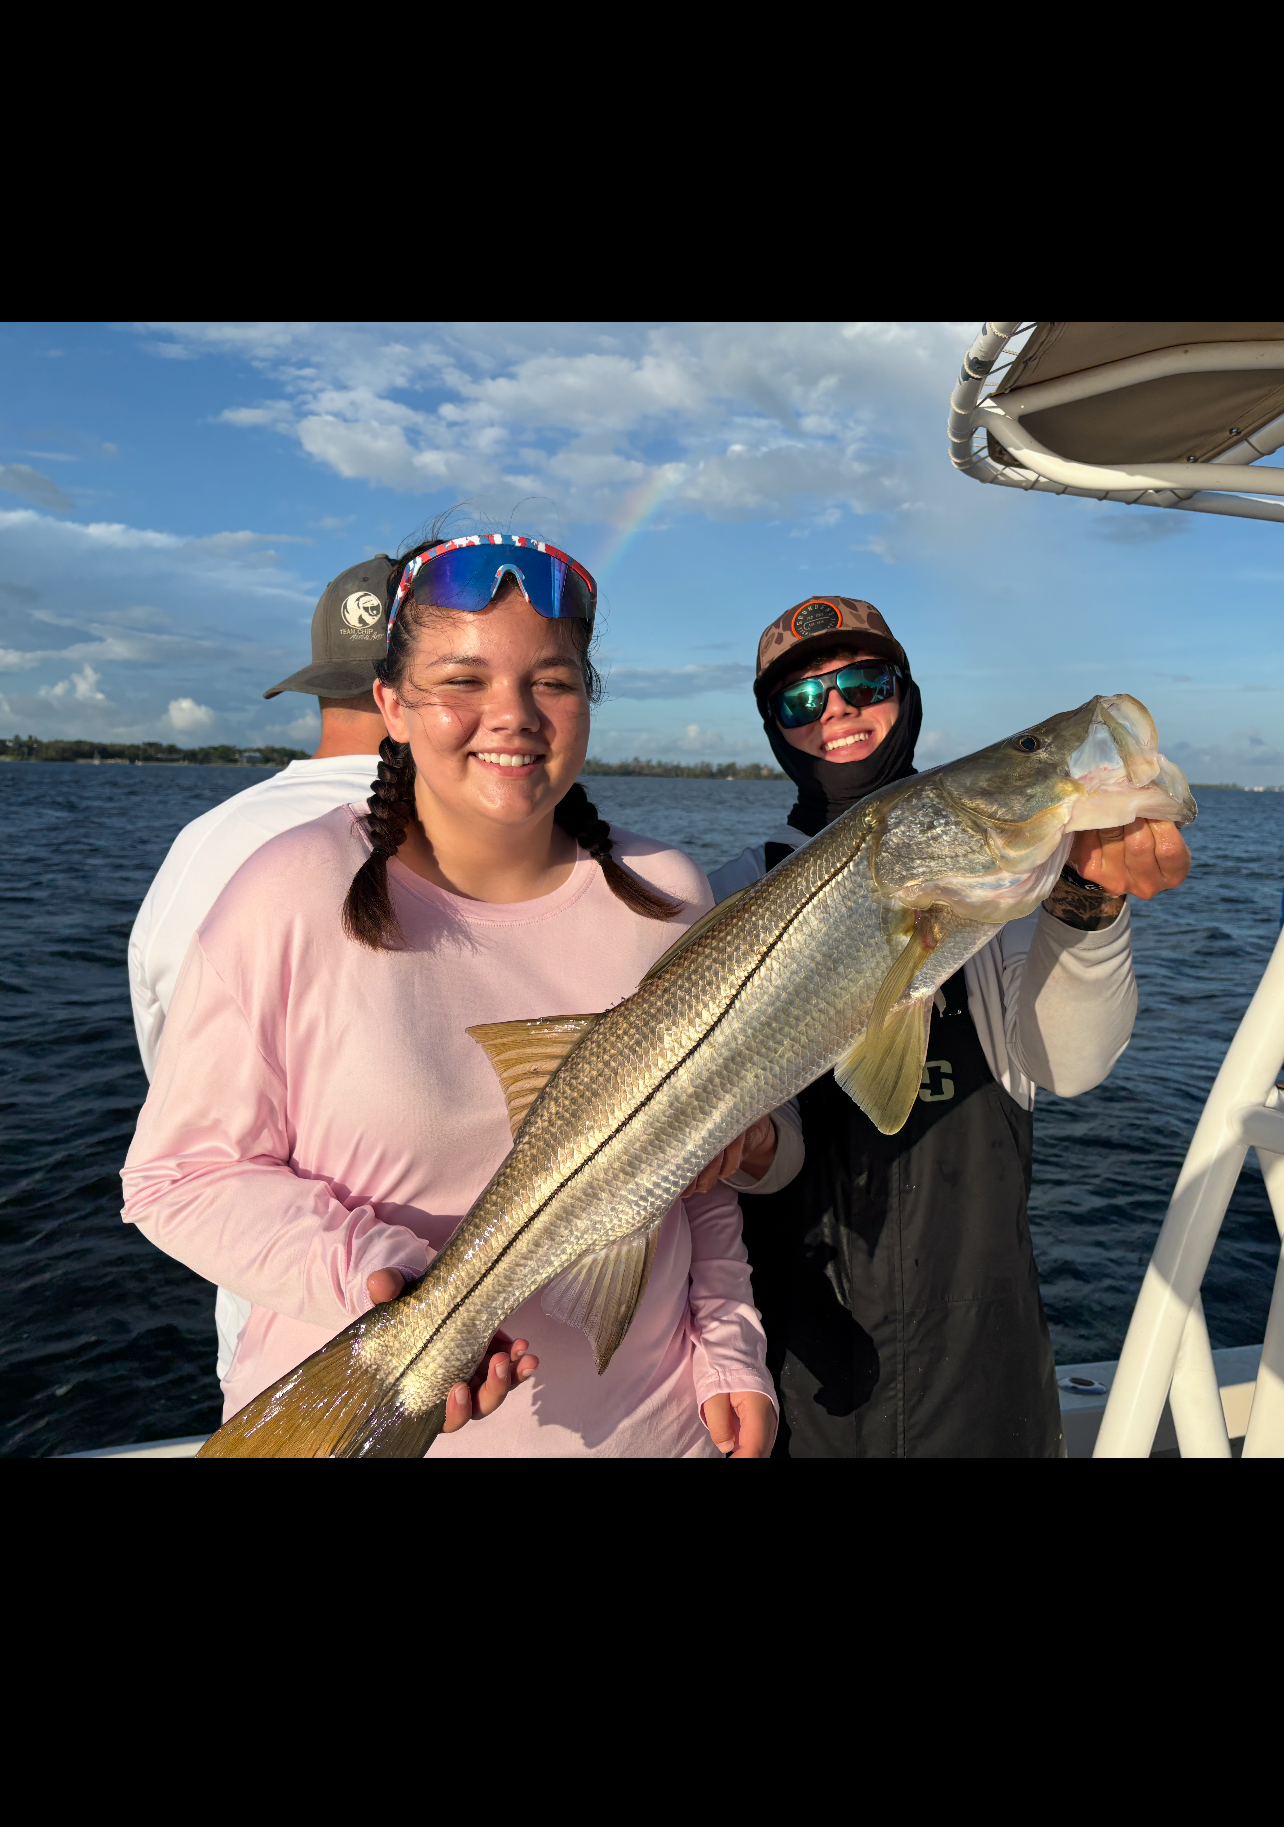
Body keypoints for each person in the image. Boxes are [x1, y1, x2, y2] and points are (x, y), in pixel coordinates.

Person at [121, 536, 787, 1457]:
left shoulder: (665, 892)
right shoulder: (286, 887)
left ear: (588, 701)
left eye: (550, 681)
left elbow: (686, 1167)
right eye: (462, 682)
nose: (511, 716)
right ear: (391, 704)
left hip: (657, 1430)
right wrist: (381, 1279)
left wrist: (727, 1348)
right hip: (355, 1423)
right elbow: (180, 1177)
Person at [709, 593, 1191, 1459]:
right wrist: (741, 1148)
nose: (839, 712)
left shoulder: (1004, 903)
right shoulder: (729, 896)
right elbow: (755, 1148)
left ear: (908, 692)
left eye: (863, 681)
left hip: (983, 1377)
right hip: (798, 1371)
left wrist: (1087, 906)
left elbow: (1068, 1063)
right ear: (775, 729)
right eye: (801, 700)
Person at [127, 557, 396, 1387]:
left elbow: (176, 1093)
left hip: (275, 1330)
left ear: (319, 683)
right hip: (504, 1332)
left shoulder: (208, 843)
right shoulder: (517, 850)